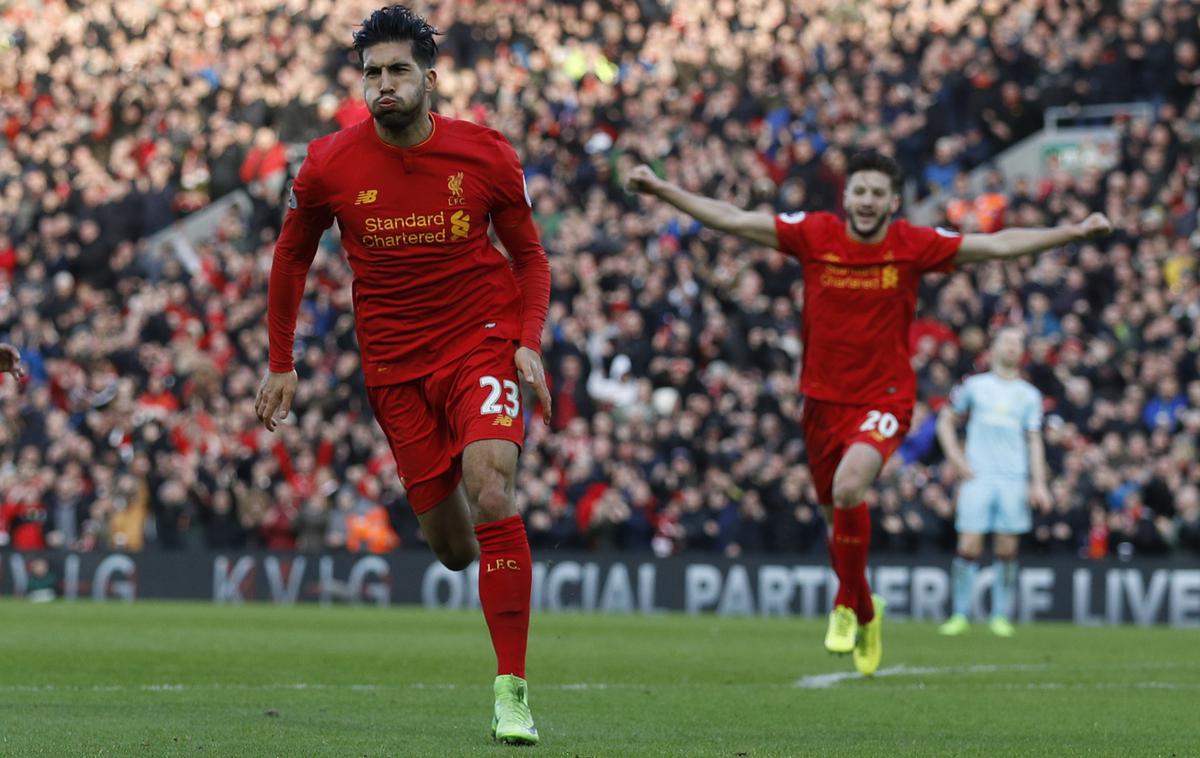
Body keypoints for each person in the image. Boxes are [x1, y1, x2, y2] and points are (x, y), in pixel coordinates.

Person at [625, 152, 1111, 676]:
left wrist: (1073, 233)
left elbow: (995, 244)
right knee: (839, 523)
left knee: (850, 486)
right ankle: (865, 608)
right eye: (859, 191)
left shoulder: (912, 244)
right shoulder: (815, 235)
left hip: (886, 396)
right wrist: (660, 189)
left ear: (893, 201)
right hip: (820, 401)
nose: (867, 201)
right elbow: (734, 220)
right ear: (847, 195)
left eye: (877, 193)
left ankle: (842, 603)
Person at [254, 5, 550, 745]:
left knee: (491, 486)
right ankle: (484, 551)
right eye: (372, 74)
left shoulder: (486, 156)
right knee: (454, 551)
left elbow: (530, 258)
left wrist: (527, 340)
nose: (383, 85)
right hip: (393, 369)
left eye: (397, 72)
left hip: (480, 341)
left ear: (430, 80)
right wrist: (281, 362)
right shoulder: (327, 163)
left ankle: (511, 690)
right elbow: (291, 257)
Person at [936, 327, 1050, 637]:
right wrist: (957, 461)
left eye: (1018, 343)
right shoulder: (974, 386)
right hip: (979, 476)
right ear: (994, 348)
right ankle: (960, 614)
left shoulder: (1029, 395)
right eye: (1008, 342)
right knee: (969, 544)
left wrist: (1038, 482)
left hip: (1013, 478)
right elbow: (945, 420)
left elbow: (1034, 440)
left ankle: (1000, 615)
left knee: (1006, 547)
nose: (1013, 348)